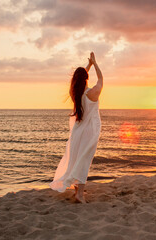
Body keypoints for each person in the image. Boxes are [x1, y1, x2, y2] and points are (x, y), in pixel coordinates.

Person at [49, 52, 103, 203]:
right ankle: (79, 194)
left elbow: (79, 80)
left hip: (77, 132)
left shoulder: (75, 94)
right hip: (90, 132)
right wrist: (95, 63)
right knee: (84, 161)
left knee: (76, 159)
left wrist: (89, 66)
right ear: (86, 78)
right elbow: (100, 79)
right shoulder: (92, 93)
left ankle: (77, 191)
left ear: (75, 80)